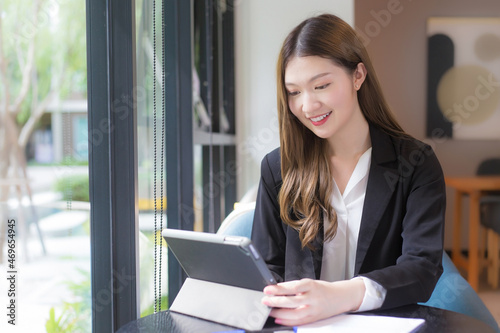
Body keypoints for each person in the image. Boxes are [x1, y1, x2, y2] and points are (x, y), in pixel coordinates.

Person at [251, 13, 446, 326]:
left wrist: (337, 297)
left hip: (383, 324)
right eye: (294, 92)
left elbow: (421, 269)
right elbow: (264, 268)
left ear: (358, 76)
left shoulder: (416, 163)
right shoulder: (278, 168)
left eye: (322, 85)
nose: (308, 105)